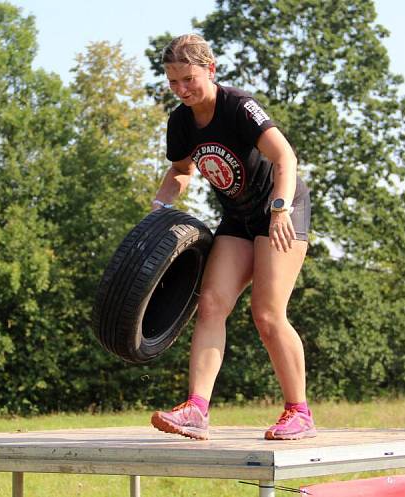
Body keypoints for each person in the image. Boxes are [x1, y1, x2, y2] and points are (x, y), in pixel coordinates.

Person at [149, 34, 315, 441]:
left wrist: (278, 209)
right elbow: (182, 171)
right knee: (211, 304)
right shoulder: (181, 122)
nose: (182, 90)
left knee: (267, 313)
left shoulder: (238, 107)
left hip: (283, 207)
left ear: (211, 69)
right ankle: (196, 410)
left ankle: (300, 412)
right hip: (238, 217)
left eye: (188, 79)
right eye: (173, 83)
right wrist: (160, 206)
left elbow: (285, 157)